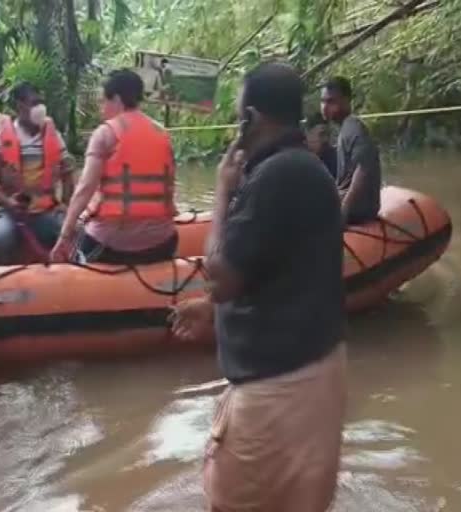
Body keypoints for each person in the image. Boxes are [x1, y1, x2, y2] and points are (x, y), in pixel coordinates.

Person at [169, 63, 346, 511]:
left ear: (250, 117)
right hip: (317, 374)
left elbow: (222, 275)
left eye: (237, 115)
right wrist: (212, 309)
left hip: (276, 392)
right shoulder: (307, 169)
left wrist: (223, 193)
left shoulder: (272, 178)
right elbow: (287, 271)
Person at [50, 69, 177, 265]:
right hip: (163, 242)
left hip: (114, 242)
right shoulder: (162, 133)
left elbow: (84, 190)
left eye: (102, 101)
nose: (101, 108)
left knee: (77, 245)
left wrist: (64, 236)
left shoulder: (105, 134)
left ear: (116, 99)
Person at [0, 82, 75, 265]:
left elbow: (68, 175)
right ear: (19, 106)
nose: (40, 107)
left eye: (41, 102)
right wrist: (8, 202)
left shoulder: (55, 137)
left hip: (47, 211)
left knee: (73, 236)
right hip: (11, 213)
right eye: (34, 102)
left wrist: (65, 204)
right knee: (1, 240)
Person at [321, 76, 382, 224]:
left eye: (331, 102)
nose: (324, 107)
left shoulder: (354, 128)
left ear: (346, 101)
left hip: (360, 209)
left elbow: (363, 170)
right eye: (322, 101)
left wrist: (344, 211)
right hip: (344, 197)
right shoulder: (344, 129)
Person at [305, 111, 338, 179]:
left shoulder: (335, 159)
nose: (325, 139)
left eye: (328, 134)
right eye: (321, 134)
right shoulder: (299, 160)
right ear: (308, 134)